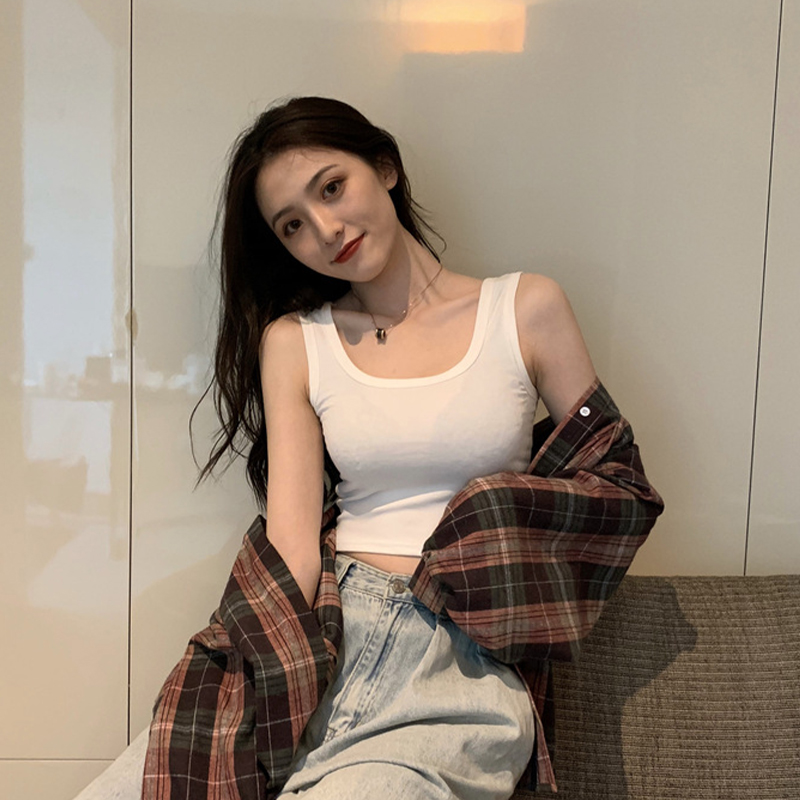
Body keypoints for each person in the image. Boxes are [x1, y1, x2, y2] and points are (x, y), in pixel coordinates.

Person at [75, 96, 662, 800]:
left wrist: (489, 518)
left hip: (457, 672)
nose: (325, 230)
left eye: (332, 187)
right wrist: (244, 673)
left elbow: (619, 484)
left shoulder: (525, 308)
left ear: (384, 167)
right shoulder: (296, 342)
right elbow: (293, 546)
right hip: (327, 637)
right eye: (292, 224)